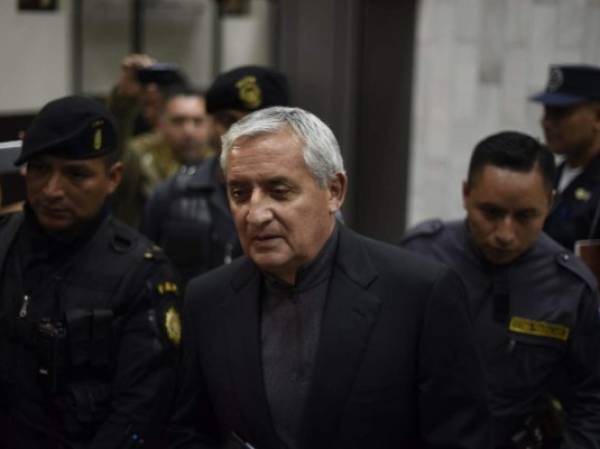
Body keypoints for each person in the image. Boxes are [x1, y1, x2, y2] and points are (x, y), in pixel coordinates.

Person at [168, 106, 491, 449]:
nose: (256, 213)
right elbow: (189, 432)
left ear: (334, 191)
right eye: (239, 193)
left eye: (279, 190)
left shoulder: (420, 294)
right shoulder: (207, 298)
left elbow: (458, 439)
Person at [0, 95, 182, 448]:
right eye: (39, 169)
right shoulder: (5, 242)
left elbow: (139, 412)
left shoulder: (143, 273)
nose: (52, 190)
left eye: (76, 174)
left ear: (112, 178)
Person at [402, 131, 600, 449]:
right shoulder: (421, 256)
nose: (505, 234)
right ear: (466, 194)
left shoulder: (571, 287)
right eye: (491, 213)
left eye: (525, 216)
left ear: (549, 202)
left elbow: (592, 397)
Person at [142, 66, 289, 285]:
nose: (242, 132)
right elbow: (146, 272)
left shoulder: (304, 195)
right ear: (211, 124)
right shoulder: (173, 194)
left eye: (258, 122)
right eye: (228, 121)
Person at [113, 86, 213, 228]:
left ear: (210, 125)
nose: (189, 131)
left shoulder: (221, 163)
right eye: (178, 121)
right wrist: (124, 101)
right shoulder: (140, 155)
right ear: (161, 124)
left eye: (198, 121)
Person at [530, 64, 600, 251]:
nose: (546, 122)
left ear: (598, 118)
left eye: (560, 113)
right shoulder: (550, 175)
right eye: (546, 111)